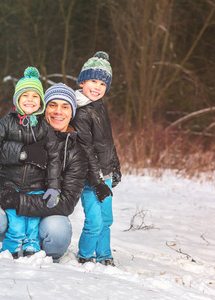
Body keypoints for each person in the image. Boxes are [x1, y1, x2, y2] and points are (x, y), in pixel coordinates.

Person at [0, 82, 88, 261]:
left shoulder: (76, 152)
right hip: (7, 203)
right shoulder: (20, 129)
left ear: (72, 112)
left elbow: (66, 202)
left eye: (65, 107)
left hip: (45, 213)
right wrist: (23, 154)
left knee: (58, 230)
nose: (58, 111)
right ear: (44, 108)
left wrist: (19, 201)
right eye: (53, 105)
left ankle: (43, 258)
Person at [70, 51, 122, 266]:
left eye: (102, 83)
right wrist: (96, 180)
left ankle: (104, 254)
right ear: (82, 82)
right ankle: (85, 255)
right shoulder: (81, 111)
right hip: (90, 177)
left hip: (105, 174)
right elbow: (86, 149)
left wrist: (115, 166)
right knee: (94, 220)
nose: (97, 87)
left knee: (106, 219)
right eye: (93, 80)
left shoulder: (100, 107)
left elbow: (107, 142)